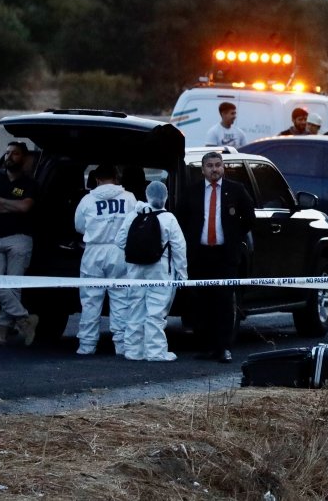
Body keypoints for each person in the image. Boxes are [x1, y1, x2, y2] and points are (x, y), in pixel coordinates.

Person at [182, 151, 255, 363]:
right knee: (201, 301)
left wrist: (234, 236)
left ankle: (223, 347)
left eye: (218, 165)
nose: (214, 169)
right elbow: (182, 218)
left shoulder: (236, 190)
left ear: (223, 167)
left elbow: (249, 218)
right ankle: (206, 346)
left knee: (223, 301)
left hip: (225, 255)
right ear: (203, 169)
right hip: (200, 254)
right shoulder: (193, 191)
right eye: (210, 166)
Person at [115, 181, 188, 361]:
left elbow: (119, 241)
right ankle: (156, 351)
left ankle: (133, 350)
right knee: (156, 311)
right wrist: (182, 274)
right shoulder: (169, 218)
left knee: (135, 308)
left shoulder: (134, 215)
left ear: (147, 196)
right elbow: (179, 248)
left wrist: (137, 252)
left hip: (135, 269)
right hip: (160, 270)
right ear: (165, 197)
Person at [0, 141, 39, 347]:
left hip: (20, 239)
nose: (9, 156)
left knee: (13, 287)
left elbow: (25, 207)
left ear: (24, 158)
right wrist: (9, 206)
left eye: (14, 153)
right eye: (7, 153)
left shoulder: (29, 183)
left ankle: (1, 331)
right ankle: (24, 318)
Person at [73, 164, 136, 356]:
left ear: (97, 179)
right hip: (119, 251)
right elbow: (135, 224)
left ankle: (87, 345)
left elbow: (79, 226)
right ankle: (122, 344)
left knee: (90, 299)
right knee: (121, 298)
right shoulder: (129, 198)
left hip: (94, 250)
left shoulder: (87, 199)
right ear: (116, 178)